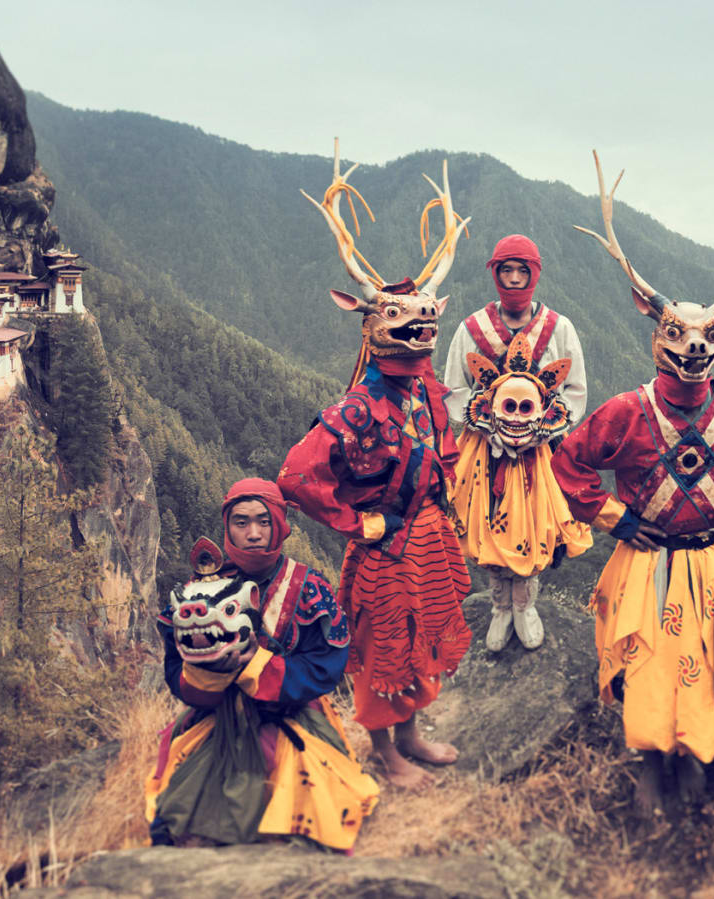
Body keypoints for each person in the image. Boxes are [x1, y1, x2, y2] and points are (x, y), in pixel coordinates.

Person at [553, 152, 714, 813]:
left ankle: (703, 759)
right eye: (679, 332)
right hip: (650, 557)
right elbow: (569, 461)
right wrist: (615, 518)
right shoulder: (627, 411)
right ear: (656, 330)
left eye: (708, 334)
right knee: (650, 660)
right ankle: (654, 765)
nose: (694, 345)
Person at [280, 146, 472, 788]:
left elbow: (444, 451)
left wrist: (443, 504)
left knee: (421, 639)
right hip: (385, 544)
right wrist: (356, 522)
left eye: (424, 317)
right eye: (399, 318)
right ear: (369, 324)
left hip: (428, 535)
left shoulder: (426, 392)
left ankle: (411, 735)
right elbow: (297, 476)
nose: (419, 327)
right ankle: (385, 753)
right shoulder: (357, 408)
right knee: (384, 641)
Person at [144, 479, 379, 850]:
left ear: (279, 525)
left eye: (263, 521)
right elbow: (176, 667)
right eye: (241, 522)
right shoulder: (199, 589)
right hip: (218, 714)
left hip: (290, 713)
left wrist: (257, 665)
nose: (253, 533)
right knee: (182, 807)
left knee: (302, 794)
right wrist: (209, 672)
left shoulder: (308, 587)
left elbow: (327, 666)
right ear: (227, 526)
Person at [442, 234, 591, 651]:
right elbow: (454, 388)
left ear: (534, 274)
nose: (512, 279)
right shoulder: (471, 329)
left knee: (533, 523)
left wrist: (541, 429)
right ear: (494, 273)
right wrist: (490, 426)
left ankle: (524, 604)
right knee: (488, 522)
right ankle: (499, 605)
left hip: (539, 448)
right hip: (484, 448)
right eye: (505, 270)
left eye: (520, 271)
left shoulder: (559, 329)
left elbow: (575, 390)